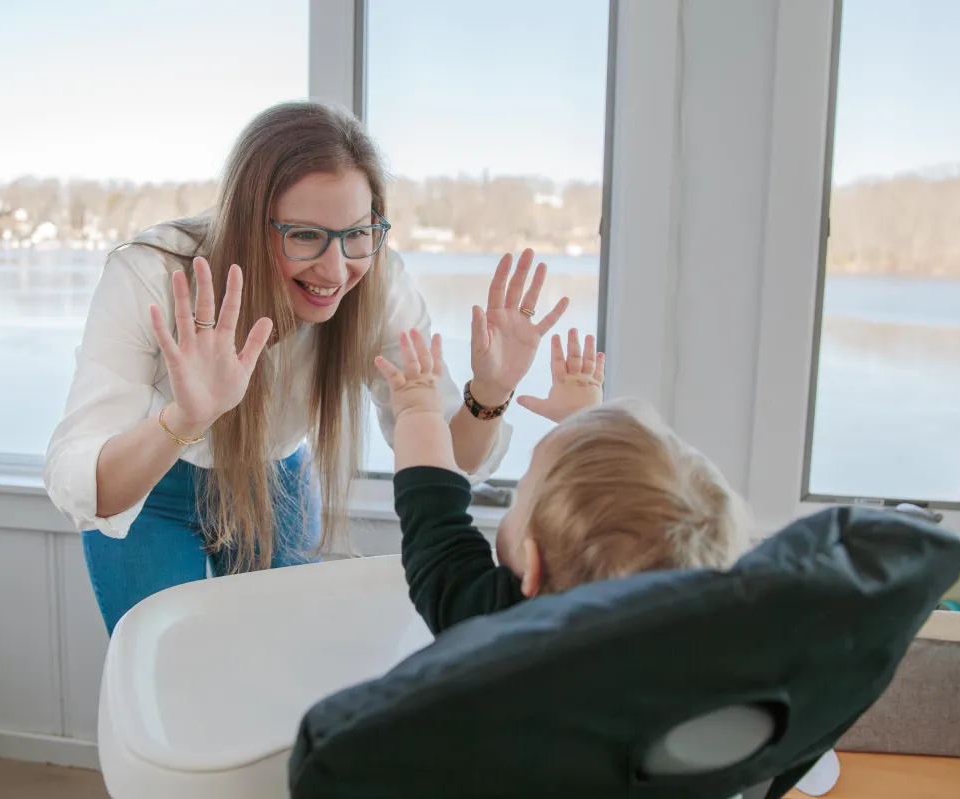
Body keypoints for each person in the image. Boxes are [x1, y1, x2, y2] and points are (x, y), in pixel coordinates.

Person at [44, 101, 569, 633]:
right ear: (250, 224)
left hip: (276, 479)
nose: (337, 269)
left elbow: (447, 460)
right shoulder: (151, 273)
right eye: (304, 235)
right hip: (152, 488)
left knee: (281, 660)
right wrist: (184, 417)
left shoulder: (380, 287)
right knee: (167, 672)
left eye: (357, 233)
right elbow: (85, 486)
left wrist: (490, 390)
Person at [377, 326, 751, 634]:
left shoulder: (493, 619)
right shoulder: (688, 641)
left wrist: (417, 408)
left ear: (534, 566)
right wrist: (583, 423)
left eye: (521, 497)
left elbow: (435, 522)